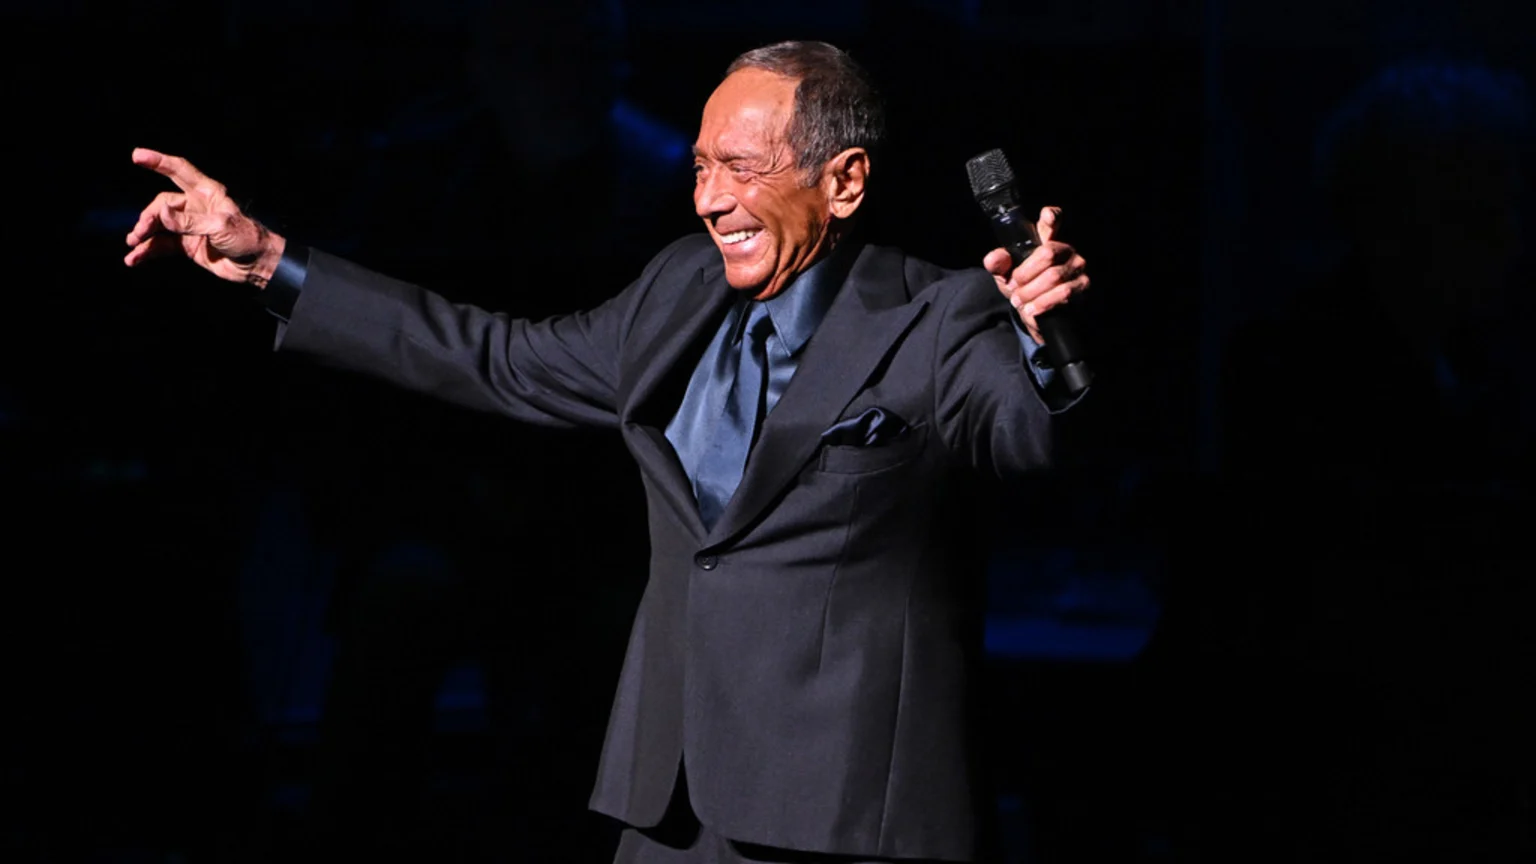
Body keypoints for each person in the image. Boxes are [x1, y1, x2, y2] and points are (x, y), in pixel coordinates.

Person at [125, 40, 1090, 864]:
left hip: (847, 813)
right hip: (670, 808)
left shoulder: (941, 317)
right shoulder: (679, 288)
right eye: (701, 167)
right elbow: (496, 356)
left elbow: (1028, 435)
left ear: (844, 181)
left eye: (741, 168)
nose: (711, 200)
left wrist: (1047, 349)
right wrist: (270, 262)